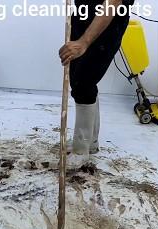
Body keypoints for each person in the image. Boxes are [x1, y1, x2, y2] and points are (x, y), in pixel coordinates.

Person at [59, 0, 132, 168]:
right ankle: (90, 141)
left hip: (107, 22)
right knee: (79, 81)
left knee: (85, 81)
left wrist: (84, 42)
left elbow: (112, 3)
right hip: (82, 15)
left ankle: (81, 149)